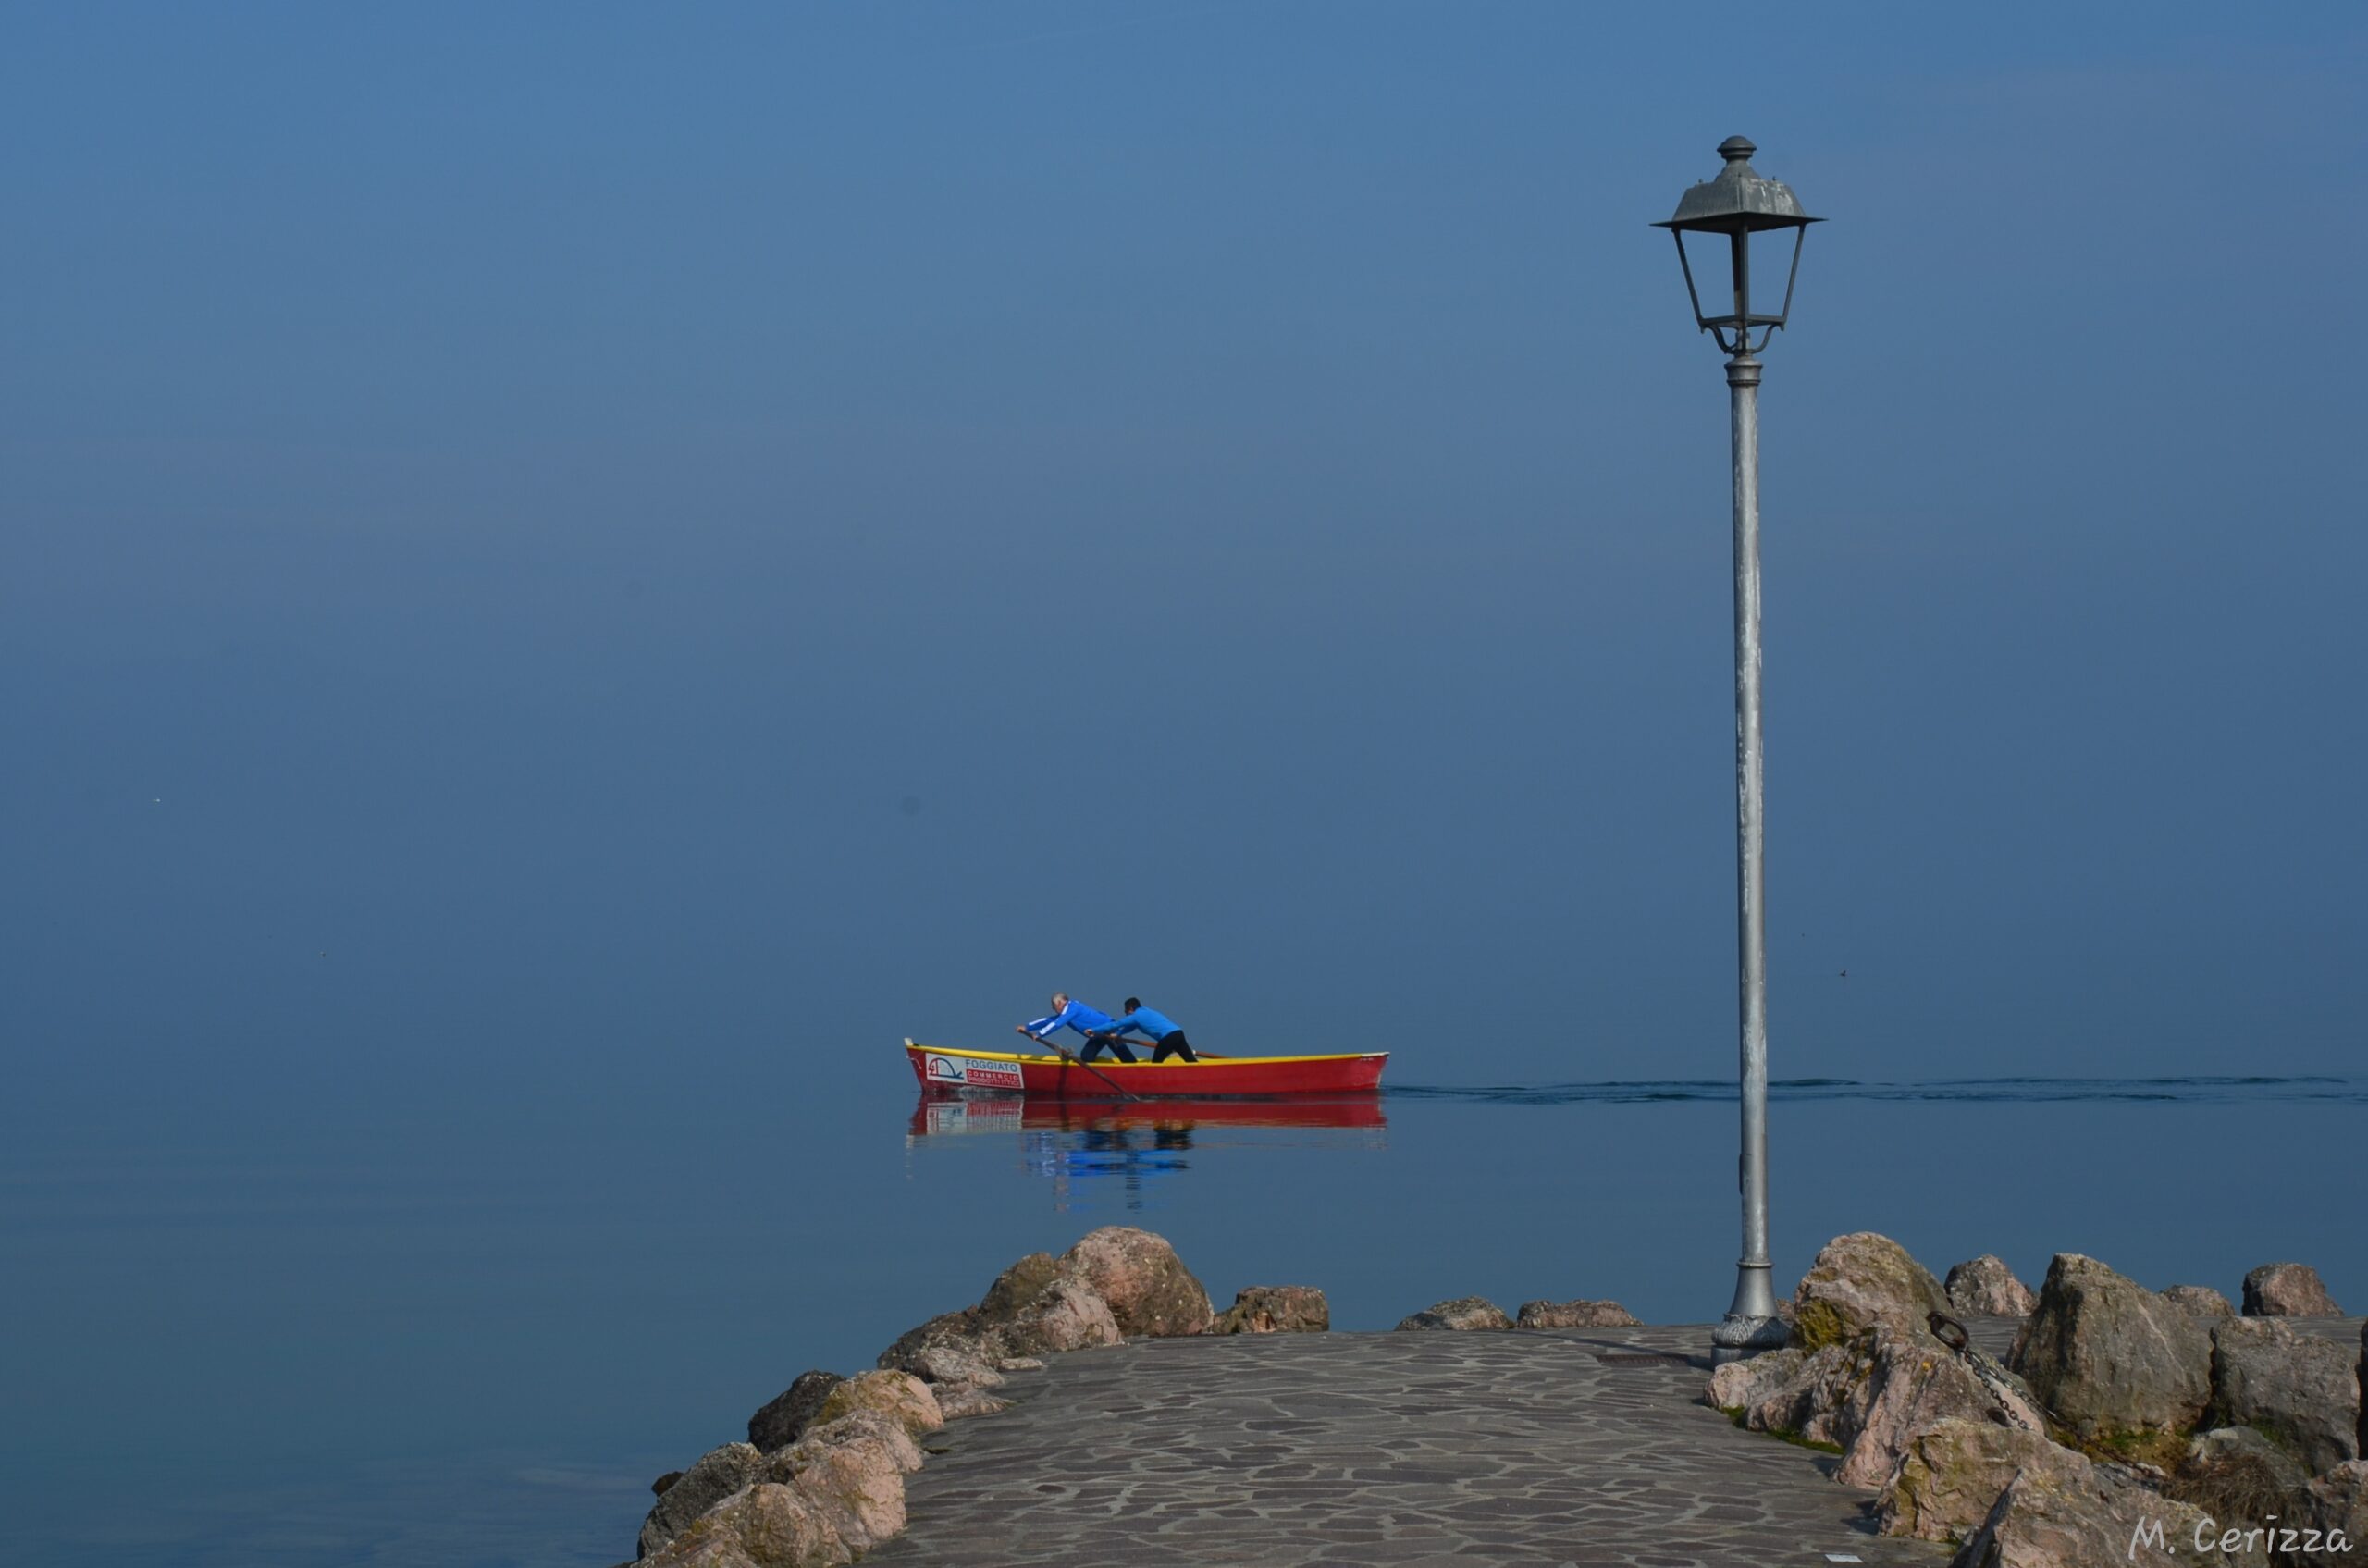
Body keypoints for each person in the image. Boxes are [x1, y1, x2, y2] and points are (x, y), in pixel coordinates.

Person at [1018, 993, 1135, 1063]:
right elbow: (1049, 1020)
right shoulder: (1067, 1012)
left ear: (1059, 1003)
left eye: (1053, 1006)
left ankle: (1136, 1072)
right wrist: (1027, 1027)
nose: (1053, 1008)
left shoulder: (1072, 1008)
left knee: (1128, 1060)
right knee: (1086, 1057)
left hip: (1109, 1030)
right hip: (1096, 1035)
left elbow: (1057, 1024)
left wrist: (1039, 1034)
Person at [1099, 997, 1198, 1064]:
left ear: (1131, 1009)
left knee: (1156, 1062)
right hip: (1178, 1033)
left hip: (1168, 1038)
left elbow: (1115, 1024)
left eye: (1126, 1011)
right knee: (1190, 1060)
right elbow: (1132, 1026)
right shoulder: (1145, 1011)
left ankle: (1156, 1082)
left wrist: (1093, 1030)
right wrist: (1118, 1034)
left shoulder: (1136, 1016)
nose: (1125, 1013)